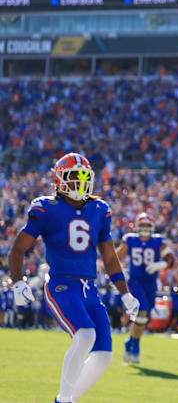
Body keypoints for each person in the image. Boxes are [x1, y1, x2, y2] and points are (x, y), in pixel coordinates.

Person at [8, 153, 139, 403]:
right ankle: (63, 399)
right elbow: (17, 248)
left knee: (103, 355)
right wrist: (18, 281)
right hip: (61, 285)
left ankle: (67, 400)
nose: (79, 182)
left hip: (89, 289)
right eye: (72, 177)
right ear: (59, 179)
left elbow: (110, 258)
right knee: (85, 336)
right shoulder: (47, 208)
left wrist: (125, 292)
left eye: (83, 177)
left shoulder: (99, 209)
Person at [116, 212, 174, 364]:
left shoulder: (157, 241)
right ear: (137, 226)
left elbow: (171, 259)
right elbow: (116, 257)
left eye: (148, 225)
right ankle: (135, 347)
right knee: (141, 312)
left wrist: (160, 264)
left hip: (151, 284)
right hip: (135, 281)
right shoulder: (130, 240)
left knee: (144, 317)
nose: (146, 228)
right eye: (143, 225)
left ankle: (130, 341)